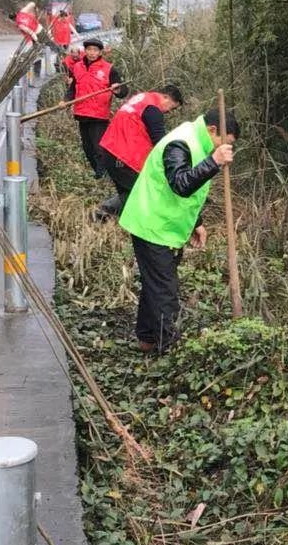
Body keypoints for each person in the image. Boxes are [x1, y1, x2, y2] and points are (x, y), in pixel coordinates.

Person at [119, 107, 238, 353]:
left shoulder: (195, 141)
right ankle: (168, 350)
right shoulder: (180, 143)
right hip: (153, 224)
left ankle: (147, 339)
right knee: (165, 290)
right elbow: (181, 184)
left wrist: (197, 222)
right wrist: (214, 162)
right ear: (212, 130)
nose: (223, 148)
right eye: (223, 143)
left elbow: (191, 188)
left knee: (156, 284)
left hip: (165, 224)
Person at [95, 83, 184, 219]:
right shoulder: (153, 109)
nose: (168, 112)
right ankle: (102, 212)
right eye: (171, 107)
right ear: (165, 97)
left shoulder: (142, 98)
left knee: (130, 192)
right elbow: (159, 141)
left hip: (111, 150)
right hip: (123, 157)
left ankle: (112, 220)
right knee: (141, 192)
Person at [63, 39, 126, 178]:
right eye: (89, 49)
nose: (92, 53)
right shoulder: (78, 67)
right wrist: (66, 100)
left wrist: (117, 90)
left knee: (99, 147)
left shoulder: (109, 69)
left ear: (100, 52)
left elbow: (123, 92)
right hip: (81, 113)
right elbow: (73, 88)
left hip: (99, 115)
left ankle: (102, 175)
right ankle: (97, 173)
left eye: (95, 50)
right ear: (85, 51)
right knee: (87, 148)